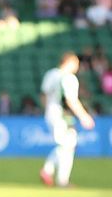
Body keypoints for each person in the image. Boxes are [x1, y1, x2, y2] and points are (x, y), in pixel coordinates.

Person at [39, 52, 94, 189]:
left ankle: (48, 170)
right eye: (76, 64)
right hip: (62, 115)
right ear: (69, 63)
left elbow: (44, 94)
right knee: (67, 146)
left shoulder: (51, 74)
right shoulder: (69, 78)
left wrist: (47, 111)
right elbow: (71, 100)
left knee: (66, 144)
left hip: (51, 113)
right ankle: (60, 178)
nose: (77, 67)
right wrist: (84, 116)